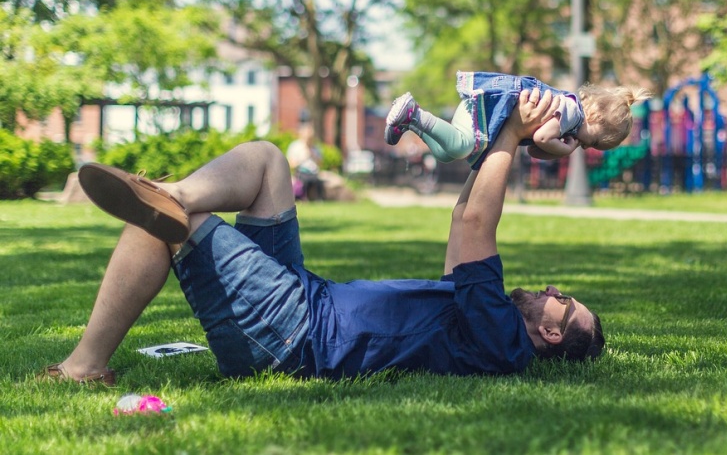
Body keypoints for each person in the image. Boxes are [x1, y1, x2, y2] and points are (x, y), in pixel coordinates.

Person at [37, 88, 604, 386]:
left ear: (552, 332)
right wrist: (511, 140)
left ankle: (85, 365)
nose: (552, 288)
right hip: (304, 298)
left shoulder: (500, 340)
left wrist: (511, 131)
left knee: (171, 228)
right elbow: (464, 219)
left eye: (562, 298)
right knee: (267, 162)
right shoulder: (481, 318)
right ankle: (176, 195)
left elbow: (481, 224)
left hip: (292, 336)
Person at [385, 71, 651, 168]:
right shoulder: (571, 112)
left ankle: (410, 123)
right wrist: (565, 148)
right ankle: (414, 112)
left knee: (445, 154)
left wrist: (557, 151)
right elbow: (541, 138)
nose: (583, 145)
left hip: (481, 111)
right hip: (487, 109)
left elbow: (536, 149)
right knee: (460, 146)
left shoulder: (565, 123)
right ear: (593, 115)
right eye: (591, 141)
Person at [286, 122, 325, 201]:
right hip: (301, 172)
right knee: (304, 181)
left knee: (318, 181)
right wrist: (302, 158)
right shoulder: (295, 146)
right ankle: (302, 198)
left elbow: (321, 164)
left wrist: (313, 155)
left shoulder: (316, 147)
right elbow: (290, 164)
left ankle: (318, 199)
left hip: (314, 173)